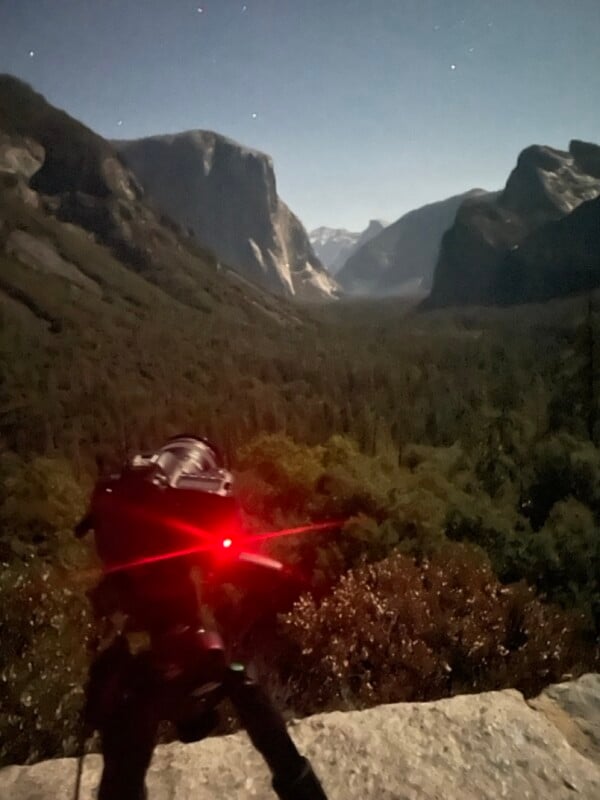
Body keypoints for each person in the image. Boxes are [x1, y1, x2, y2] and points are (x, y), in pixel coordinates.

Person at [76, 435, 328, 800]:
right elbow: (234, 553)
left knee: (126, 752)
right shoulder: (197, 504)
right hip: (193, 642)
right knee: (243, 685)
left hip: (146, 651)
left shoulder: (125, 512)